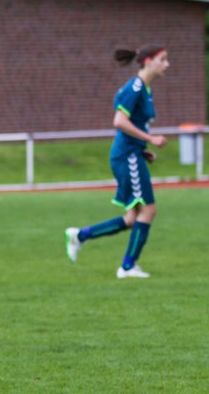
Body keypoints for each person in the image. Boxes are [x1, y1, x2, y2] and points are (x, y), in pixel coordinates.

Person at [64, 45, 170, 279]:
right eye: (163, 59)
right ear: (149, 61)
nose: (167, 64)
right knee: (148, 210)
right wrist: (149, 139)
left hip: (132, 154)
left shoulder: (145, 89)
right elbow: (119, 121)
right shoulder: (135, 87)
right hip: (126, 156)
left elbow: (132, 125)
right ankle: (127, 266)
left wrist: (143, 149)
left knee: (132, 218)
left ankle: (79, 236)